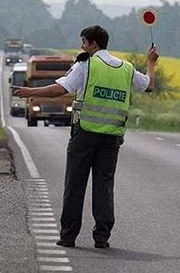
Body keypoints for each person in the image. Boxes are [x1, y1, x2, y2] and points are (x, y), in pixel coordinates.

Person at [12, 25, 158, 249]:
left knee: (75, 185)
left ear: (93, 44)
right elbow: (148, 86)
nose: (81, 46)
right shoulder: (126, 69)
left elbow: (61, 89)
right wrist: (151, 63)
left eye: (83, 41)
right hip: (111, 138)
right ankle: (102, 237)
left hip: (85, 135)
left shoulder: (86, 65)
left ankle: (68, 236)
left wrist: (30, 92)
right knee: (104, 186)